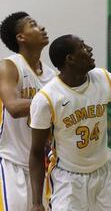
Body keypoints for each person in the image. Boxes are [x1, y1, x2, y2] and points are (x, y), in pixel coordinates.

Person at [29, 34, 111, 211]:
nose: (89, 48)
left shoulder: (103, 78)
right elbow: (35, 152)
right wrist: (36, 203)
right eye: (82, 46)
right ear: (70, 59)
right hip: (67, 179)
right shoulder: (46, 98)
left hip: (104, 173)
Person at [0, 11, 55, 211]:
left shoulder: (52, 76)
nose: (41, 27)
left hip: (41, 168)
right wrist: (52, 101)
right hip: (10, 162)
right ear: (21, 37)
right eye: (33, 25)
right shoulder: (9, 66)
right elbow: (13, 107)